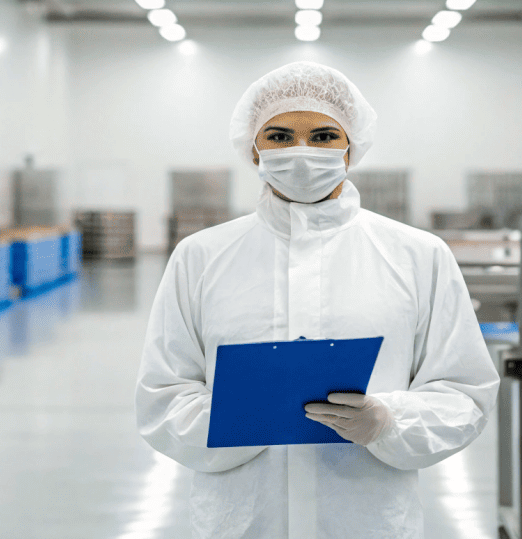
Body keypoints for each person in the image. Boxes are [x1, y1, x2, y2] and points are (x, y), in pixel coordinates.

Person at [136, 61, 499, 538]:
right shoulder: (201, 257)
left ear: (351, 150)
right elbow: (162, 398)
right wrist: (245, 418)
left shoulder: (417, 256)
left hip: (365, 521)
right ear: (253, 149)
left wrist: (387, 423)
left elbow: (463, 392)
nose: (302, 152)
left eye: (325, 136)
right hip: (244, 521)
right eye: (280, 136)